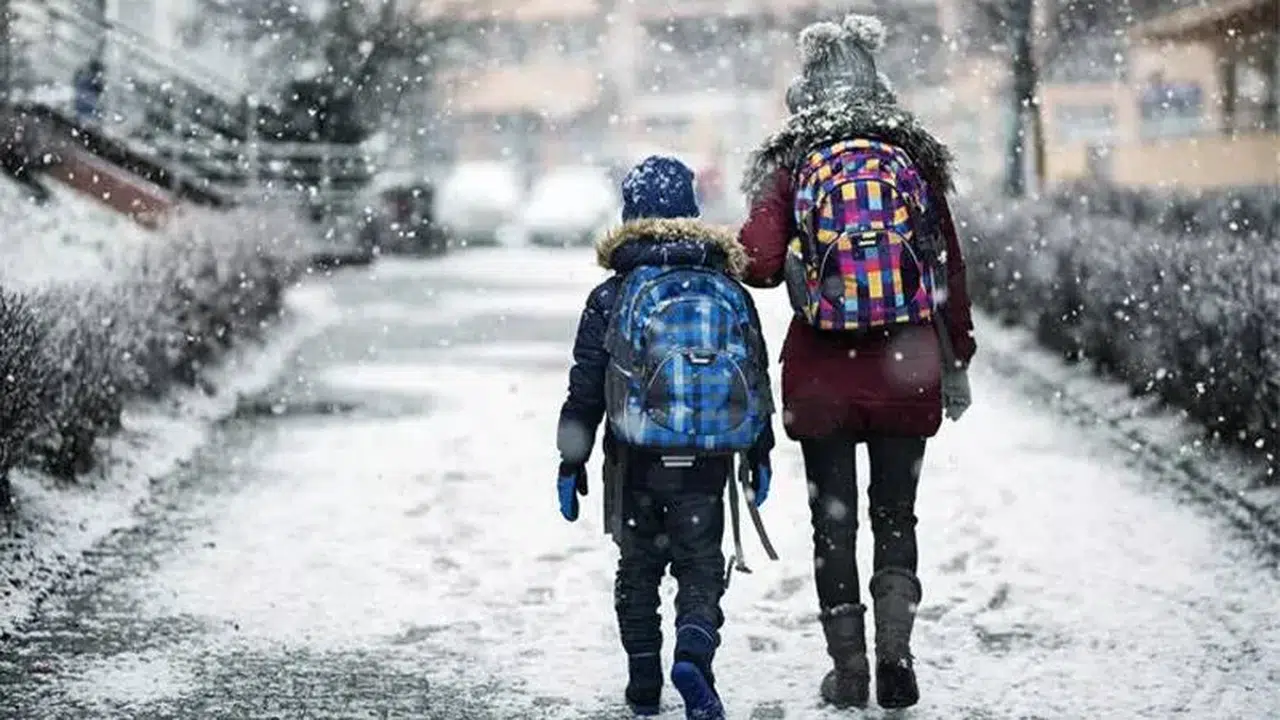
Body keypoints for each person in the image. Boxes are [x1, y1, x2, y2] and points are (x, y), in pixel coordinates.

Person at [736, 14, 977, 711]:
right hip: (907, 364)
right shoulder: (911, 160)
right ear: (880, 85)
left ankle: (849, 672)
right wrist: (955, 353)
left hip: (822, 376)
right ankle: (897, 653)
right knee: (896, 515)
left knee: (833, 523)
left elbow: (755, 260)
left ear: (805, 92)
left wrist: (790, 257)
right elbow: (948, 270)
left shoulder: (793, 162)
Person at [556, 156, 775, 719]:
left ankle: (644, 682)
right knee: (700, 565)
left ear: (630, 213)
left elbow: (585, 388)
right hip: (706, 460)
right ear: (692, 212)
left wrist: (570, 461)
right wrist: (760, 451)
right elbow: (754, 373)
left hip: (635, 460)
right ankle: (695, 653)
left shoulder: (613, 293)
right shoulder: (726, 285)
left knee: (639, 570)